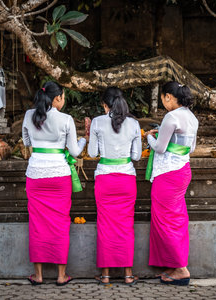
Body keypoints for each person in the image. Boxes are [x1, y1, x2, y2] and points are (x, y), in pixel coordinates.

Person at [22, 81, 86, 286]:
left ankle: (38, 276)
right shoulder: (66, 119)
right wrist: (85, 138)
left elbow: (26, 143)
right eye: (64, 96)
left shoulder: (28, 116)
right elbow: (75, 152)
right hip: (59, 175)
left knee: (37, 225)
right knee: (60, 224)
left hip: (36, 174)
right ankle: (61, 275)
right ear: (57, 98)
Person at [144, 81, 198, 286]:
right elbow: (190, 148)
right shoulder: (191, 117)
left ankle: (181, 269)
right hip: (183, 171)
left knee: (166, 220)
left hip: (167, 173)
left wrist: (150, 137)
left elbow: (159, 148)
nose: (163, 103)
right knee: (176, 218)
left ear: (168, 96)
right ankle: (174, 264)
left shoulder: (171, 116)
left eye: (163, 99)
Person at [88, 87, 142, 285]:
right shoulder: (134, 124)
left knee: (105, 226)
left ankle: (106, 275)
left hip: (105, 180)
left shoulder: (97, 122)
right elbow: (136, 156)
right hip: (126, 179)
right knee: (126, 226)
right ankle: (128, 274)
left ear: (105, 105)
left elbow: (93, 153)